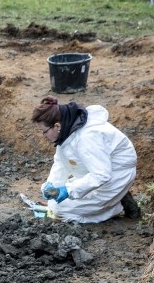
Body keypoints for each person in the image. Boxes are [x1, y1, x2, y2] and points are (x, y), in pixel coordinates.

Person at [32, 95, 141, 223]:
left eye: (44, 131)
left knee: (58, 210)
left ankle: (116, 205)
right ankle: (115, 198)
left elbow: (102, 175)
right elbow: (61, 161)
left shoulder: (87, 139)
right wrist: (52, 185)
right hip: (102, 168)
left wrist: (68, 190)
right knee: (56, 200)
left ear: (57, 126)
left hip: (115, 174)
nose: (43, 136)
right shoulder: (67, 129)